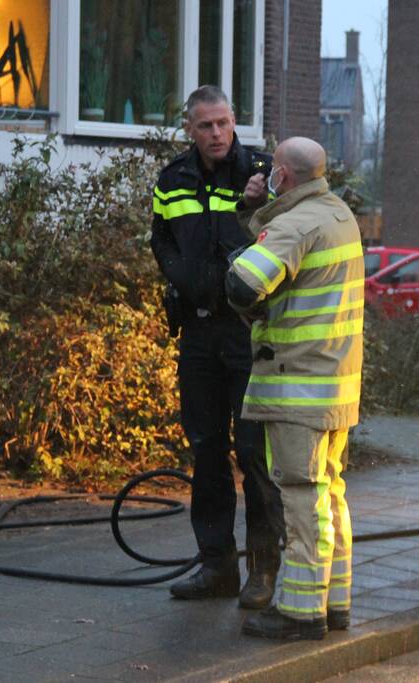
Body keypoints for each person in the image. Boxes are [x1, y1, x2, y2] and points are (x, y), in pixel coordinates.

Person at [150, 85, 284, 608]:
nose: (216, 134)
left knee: (255, 454)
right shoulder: (173, 178)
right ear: (190, 129)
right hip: (199, 334)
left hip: (248, 332)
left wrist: (256, 205)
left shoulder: (263, 174)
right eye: (205, 126)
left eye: (224, 122)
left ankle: (263, 571)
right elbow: (160, 236)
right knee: (206, 450)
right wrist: (178, 273)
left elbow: (288, 233)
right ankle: (216, 567)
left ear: (235, 121)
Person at [226, 137, 364, 640]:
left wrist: (246, 297)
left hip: (295, 388)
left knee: (302, 498)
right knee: (330, 493)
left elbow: (243, 282)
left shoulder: (296, 224)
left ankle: (300, 613)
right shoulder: (337, 214)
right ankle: (333, 603)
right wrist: (256, 211)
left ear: (283, 174)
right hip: (334, 387)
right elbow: (286, 247)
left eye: (274, 169)